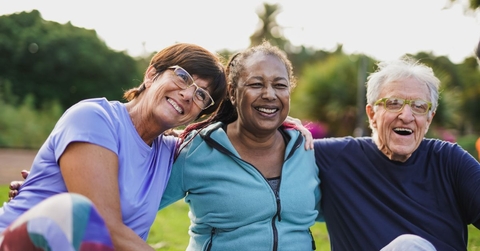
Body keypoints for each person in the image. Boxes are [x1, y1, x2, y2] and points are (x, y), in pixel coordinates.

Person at [0, 43, 227, 251]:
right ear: (151, 75)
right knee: (77, 211)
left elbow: (235, 136)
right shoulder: (94, 118)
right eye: (182, 77)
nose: (188, 94)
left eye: (201, 94)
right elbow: (105, 226)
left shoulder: (173, 151)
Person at [158, 41, 322, 250]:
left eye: (280, 85)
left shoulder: (304, 148)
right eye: (256, 84)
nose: (270, 94)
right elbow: (134, 209)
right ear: (232, 93)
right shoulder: (196, 150)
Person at [314, 57, 480, 250]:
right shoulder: (335, 158)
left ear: (428, 120)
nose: (407, 116)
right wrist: (292, 128)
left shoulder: (451, 162)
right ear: (372, 115)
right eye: (394, 103)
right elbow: (275, 142)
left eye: (419, 107)